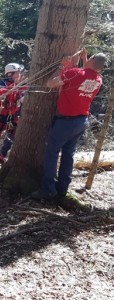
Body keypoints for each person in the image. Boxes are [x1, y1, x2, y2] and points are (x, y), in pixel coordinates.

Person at [32, 49, 106, 201]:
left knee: (51, 153)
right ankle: (62, 189)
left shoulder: (74, 73)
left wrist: (62, 66)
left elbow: (51, 84)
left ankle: (48, 189)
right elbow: (87, 73)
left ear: (91, 60)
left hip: (66, 122)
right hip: (81, 121)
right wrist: (84, 59)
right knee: (68, 155)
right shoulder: (98, 79)